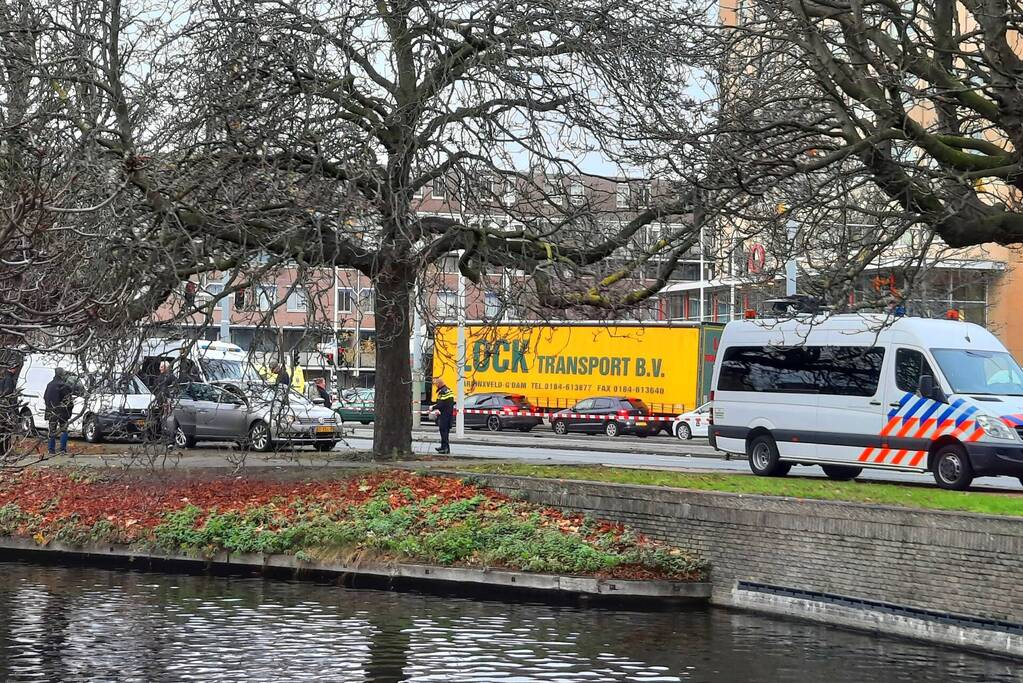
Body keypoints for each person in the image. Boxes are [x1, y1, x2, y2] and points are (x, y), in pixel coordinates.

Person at [44, 368, 78, 455]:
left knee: (52, 430)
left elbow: (45, 397)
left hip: (51, 411)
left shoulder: (49, 385)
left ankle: (51, 450)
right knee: (64, 430)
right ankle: (62, 449)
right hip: (62, 412)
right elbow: (68, 401)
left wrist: (49, 408)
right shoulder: (64, 386)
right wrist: (69, 410)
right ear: (62, 375)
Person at [0, 360, 21, 456]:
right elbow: (8, 394)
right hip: (6, 409)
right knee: (6, 430)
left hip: (3, 408)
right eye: (15, 368)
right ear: (12, 368)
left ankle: (3, 450)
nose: (16, 370)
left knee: (3, 430)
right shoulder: (9, 379)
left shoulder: (5, 377)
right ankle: (5, 450)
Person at [431, 378, 454, 454]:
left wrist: (433, 407)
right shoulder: (448, 390)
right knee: (445, 431)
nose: (436, 386)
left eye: (436, 384)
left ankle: (445, 448)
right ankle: (444, 447)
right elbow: (446, 403)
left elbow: (441, 404)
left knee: (443, 431)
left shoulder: (442, 392)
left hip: (444, 415)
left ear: (439, 384)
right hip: (449, 414)